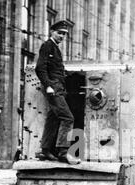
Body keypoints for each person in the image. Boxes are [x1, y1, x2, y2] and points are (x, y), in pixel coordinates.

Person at [35, 20, 81, 165]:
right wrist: (48, 85)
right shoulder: (48, 46)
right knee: (68, 118)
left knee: (53, 118)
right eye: (59, 33)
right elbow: (39, 68)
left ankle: (46, 150)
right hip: (53, 88)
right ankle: (63, 152)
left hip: (57, 87)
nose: (62, 36)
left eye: (64, 34)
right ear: (52, 32)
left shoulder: (55, 48)